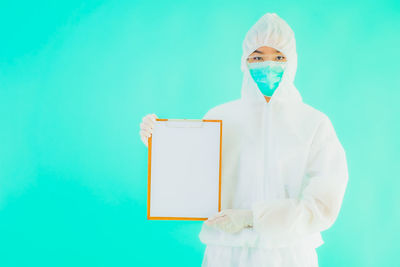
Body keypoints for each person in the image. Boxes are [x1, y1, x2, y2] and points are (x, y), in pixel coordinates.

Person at [139, 12, 348, 267]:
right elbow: (194, 182)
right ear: (244, 61)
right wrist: (162, 146)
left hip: (289, 254)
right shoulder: (220, 118)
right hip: (226, 253)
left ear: (292, 61)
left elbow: (322, 204)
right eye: (258, 57)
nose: (267, 65)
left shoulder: (314, 124)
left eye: (278, 57)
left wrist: (253, 218)